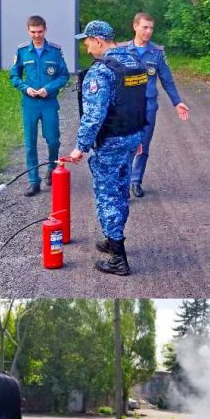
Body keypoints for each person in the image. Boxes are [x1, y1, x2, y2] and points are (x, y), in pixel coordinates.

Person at [68, 20, 147, 276]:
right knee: (121, 189)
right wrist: (139, 138)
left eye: (88, 41)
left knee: (108, 195)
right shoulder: (134, 62)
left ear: (99, 40)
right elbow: (139, 104)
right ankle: (113, 239)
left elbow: (93, 117)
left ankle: (118, 259)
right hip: (131, 136)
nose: (86, 46)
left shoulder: (101, 72)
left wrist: (80, 147)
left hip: (111, 142)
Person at [124, 12, 189, 198]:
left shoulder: (157, 53)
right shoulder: (122, 51)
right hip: (127, 108)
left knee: (143, 144)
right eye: (145, 27)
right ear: (135, 26)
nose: (148, 31)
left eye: (151, 28)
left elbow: (167, 81)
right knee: (127, 144)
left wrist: (177, 102)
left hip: (148, 107)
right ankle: (124, 183)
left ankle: (136, 181)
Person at [10, 15, 70, 196]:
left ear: (45, 30)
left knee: (53, 140)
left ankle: (51, 169)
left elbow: (64, 75)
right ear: (28, 31)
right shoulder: (22, 52)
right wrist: (25, 88)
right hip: (30, 104)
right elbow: (14, 76)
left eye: (40, 31)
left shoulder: (54, 51)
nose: (36, 35)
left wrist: (49, 88)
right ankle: (33, 181)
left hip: (48, 102)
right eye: (33, 32)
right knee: (30, 143)